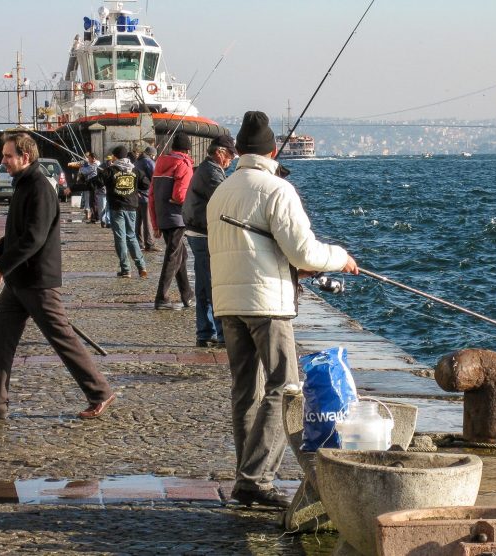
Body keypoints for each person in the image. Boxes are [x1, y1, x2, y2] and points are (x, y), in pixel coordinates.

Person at [206, 111, 359, 508]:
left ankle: (246, 474)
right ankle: (255, 480)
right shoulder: (277, 190)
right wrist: (340, 257)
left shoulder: (221, 190)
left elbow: (252, 248)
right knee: (285, 386)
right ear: (274, 151)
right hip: (266, 303)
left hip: (228, 301)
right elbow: (303, 250)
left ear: (237, 151)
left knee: (245, 391)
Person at [0, 132, 116, 422]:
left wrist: (2, 265)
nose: (3, 161)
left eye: (8, 156)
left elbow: (34, 237)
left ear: (25, 157)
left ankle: (100, 392)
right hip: (20, 281)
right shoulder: (23, 185)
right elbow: (19, 231)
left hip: (38, 280)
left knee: (62, 338)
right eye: (3, 155)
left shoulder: (40, 187)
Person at [182, 135, 236, 347]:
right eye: (230, 155)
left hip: (196, 232)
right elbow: (226, 201)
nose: (232, 159)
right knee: (215, 284)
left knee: (204, 285)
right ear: (219, 152)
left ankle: (205, 332)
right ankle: (222, 334)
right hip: (204, 234)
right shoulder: (212, 173)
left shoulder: (206, 169)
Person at [149, 132, 194, 310]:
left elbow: (152, 194)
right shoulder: (183, 164)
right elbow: (180, 195)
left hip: (162, 216)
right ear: (187, 150)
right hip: (177, 217)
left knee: (180, 255)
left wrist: (155, 223)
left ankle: (187, 294)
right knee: (173, 256)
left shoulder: (160, 163)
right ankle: (162, 297)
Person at [103, 144, 148, 278]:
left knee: (120, 238)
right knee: (131, 236)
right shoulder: (135, 170)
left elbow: (96, 182)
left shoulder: (110, 171)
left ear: (115, 157)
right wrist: (136, 189)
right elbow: (146, 184)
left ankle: (126, 269)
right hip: (131, 207)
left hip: (117, 207)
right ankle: (142, 266)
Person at [134, 145, 158, 251]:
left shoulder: (137, 162)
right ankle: (149, 244)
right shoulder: (149, 162)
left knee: (138, 221)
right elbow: (156, 176)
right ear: (152, 155)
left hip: (136, 195)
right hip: (146, 195)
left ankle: (138, 243)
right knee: (147, 220)